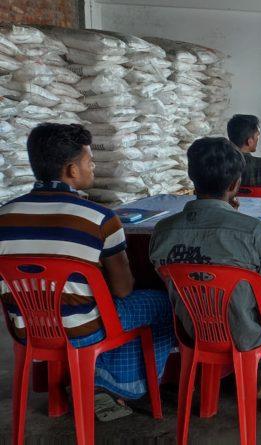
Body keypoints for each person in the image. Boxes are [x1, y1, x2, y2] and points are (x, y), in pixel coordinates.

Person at [0, 123, 173, 420]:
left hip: (25, 328)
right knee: (159, 302)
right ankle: (122, 385)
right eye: (89, 161)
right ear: (71, 170)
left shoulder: (4, 215)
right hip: (82, 331)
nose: (92, 166)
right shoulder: (100, 219)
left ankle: (86, 383)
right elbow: (122, 290)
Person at [149, 136, 261, 415]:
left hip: (193, 330)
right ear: (234, 185)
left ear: (192, 178)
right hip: (247, 334)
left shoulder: (162, 230)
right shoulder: (255, 230)